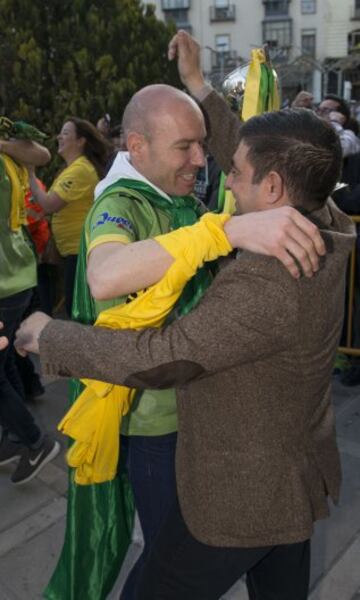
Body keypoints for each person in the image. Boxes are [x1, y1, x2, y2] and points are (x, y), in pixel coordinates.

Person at [16, 31, 356, 600]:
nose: (215, 170)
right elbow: (255, 150)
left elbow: (159, 356)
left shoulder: (267, 279)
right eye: (190, 150)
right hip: (291, 477)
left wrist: (50, 336)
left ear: (272, 187)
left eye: (236, 174)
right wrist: (197, 87)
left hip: (242, 495)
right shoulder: (326, 215)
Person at [0, 134, 60, 485]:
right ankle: (16, 437)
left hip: (9, 278)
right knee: (5, 364)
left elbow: (41, 152)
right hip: (16, 275)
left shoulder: (7, 144)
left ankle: (36, 443)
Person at [29, 117, 111, 316]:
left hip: (81, 252)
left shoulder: (81, 170)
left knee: (78, 311)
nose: (59, 136)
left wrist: (29, 171)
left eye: (65, 133)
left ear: (81, 141)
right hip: (73, 251)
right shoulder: (73, 169)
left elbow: (49, 204)